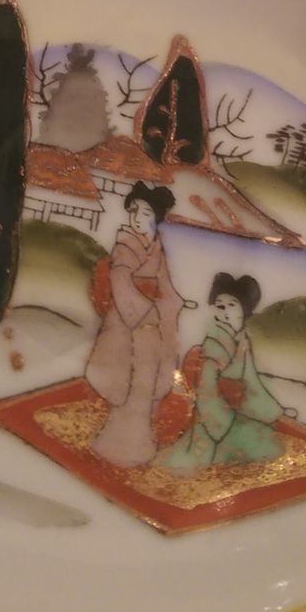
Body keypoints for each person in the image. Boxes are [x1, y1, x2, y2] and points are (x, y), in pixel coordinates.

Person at [85, 182, 183, 468]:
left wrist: (171, 305)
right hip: (128, 318)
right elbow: (120, 279)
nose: (138, 218)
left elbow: (166, 285)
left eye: (146, 213)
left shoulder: (156, 247)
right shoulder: (125, 244)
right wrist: (141, 310)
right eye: (134, 211)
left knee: (147, 379)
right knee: (131, 377)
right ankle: (118, 442)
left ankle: (141, 436)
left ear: (156, 218)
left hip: (151, 318)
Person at [157, 273, 292, 471]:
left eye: (231, 304)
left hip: (236, 409)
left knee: (265, 442)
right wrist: (218, 418)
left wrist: (271, 408)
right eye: (219, 304)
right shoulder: (214, 345)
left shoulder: (243, 341)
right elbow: (207, 389)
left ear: (244, 310)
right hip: (214, 412)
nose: (224, 309)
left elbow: (251, 379)